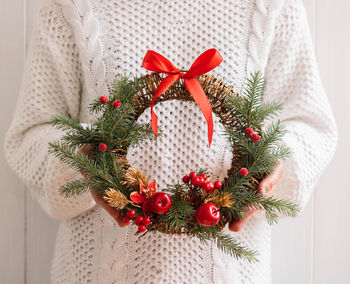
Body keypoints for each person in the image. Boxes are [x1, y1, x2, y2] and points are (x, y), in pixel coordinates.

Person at [4, 0, 337, 283]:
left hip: (229, 273)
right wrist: (84, 158)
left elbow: (310, 124)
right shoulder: (72, 6)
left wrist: (273, 160)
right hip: (101, 271)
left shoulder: (270, 7)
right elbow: (30, 134)